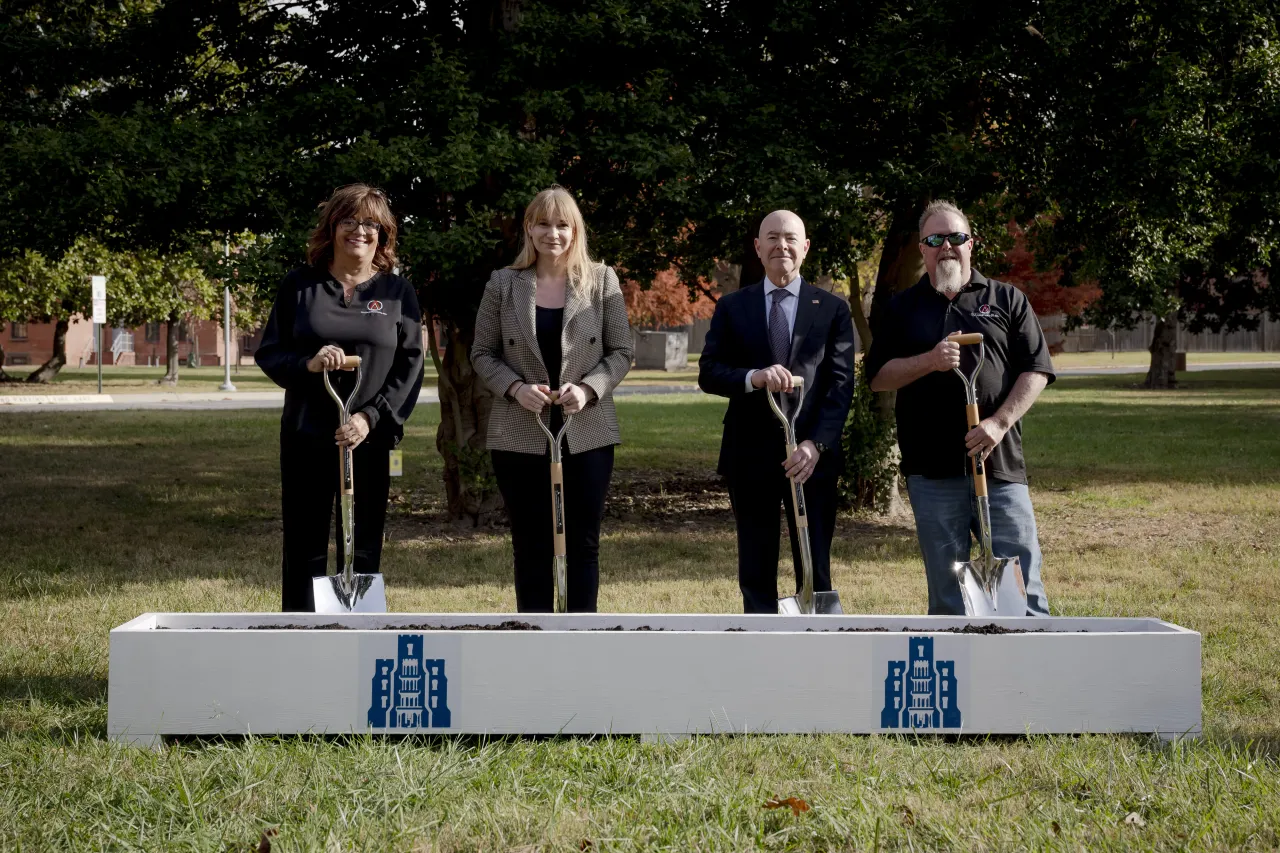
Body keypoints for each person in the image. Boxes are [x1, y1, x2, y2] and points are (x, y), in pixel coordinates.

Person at [865, 199, 1055, 616]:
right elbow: (878, 376)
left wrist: (1000, 422)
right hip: (932, 472)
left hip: (999, 465)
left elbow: (1037, 369)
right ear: (922, 249)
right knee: (949, 595)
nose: (946, 247)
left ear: (972, 244)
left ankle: (1031, 674)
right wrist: (928, 361)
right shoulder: (902, 308)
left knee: (1024, 588)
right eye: (935, 240)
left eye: (956, 237)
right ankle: (961, 674)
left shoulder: (1007, 299)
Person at [256, 183, 424, 612]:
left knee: (364, 541)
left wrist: (370, 418)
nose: (359, 231)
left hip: (370, 436)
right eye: (348, 220)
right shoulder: (300, 286)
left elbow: (410, 365)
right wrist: (309, 364)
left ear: (382, 235)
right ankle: (300, 631)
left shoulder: (396, 293)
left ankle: (358, 635)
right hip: (308, 433)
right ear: (331, 228)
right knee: (304, 543)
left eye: (371, 224)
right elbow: (271, 351)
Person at [472, 185, 633, 612]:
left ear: (576, 230)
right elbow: (482, 353)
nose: (553, 233)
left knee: (583, 543)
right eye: (543, 223)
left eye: (563, 224)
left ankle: (582, 637)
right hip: (519, 431)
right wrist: (514, 388)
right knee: (530, 545)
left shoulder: (602, 280)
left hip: (587, 431)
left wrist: (589, 388)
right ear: (529, 228)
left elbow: (622, 351)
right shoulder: (503, 284)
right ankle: (533, 637)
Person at [698, 210, 856, 613]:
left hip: (811, 456)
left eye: (790, 238)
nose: (780, 245)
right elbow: (709, 372)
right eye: (771, 237)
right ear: (757, 247)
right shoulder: (734, 306)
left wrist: (816, 444)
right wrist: (754, 376)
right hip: (748, 453)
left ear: (804, 248)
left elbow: (841, 386)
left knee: (815, 562)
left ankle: (818, 647)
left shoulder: (833, 309)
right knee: (755, 561)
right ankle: (760, 645)